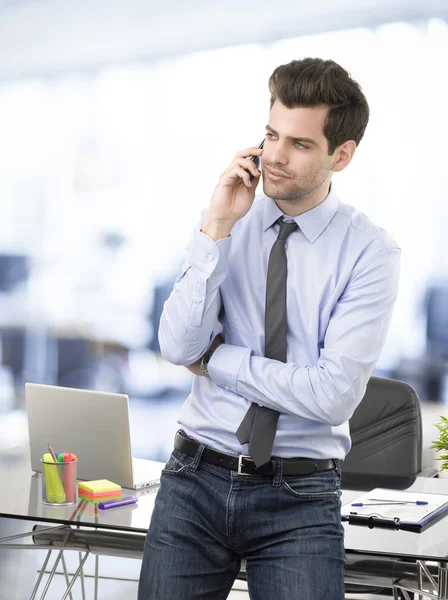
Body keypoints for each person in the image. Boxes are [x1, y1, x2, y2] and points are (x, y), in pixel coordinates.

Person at [138, 57, 401, 600]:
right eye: (271, 135)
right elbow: (176, 344)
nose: (276, 156)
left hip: (299, 495)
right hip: (194, 475)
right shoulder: (231, 221)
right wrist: (216, 227)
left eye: (300, 144)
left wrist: (218, 362)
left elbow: (331, 396)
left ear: (342, 155)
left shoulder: (370, 252)